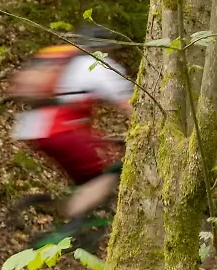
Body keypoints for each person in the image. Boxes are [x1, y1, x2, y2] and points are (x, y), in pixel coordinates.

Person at [10, 25, 132, 234]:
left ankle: (69, 209)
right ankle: (72, 222)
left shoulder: (68, 61)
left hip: (37, 128)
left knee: (90, 172)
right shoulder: (100, 66)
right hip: (61, 130)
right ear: (106, 48)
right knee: (105, 177)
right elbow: (128, 104)